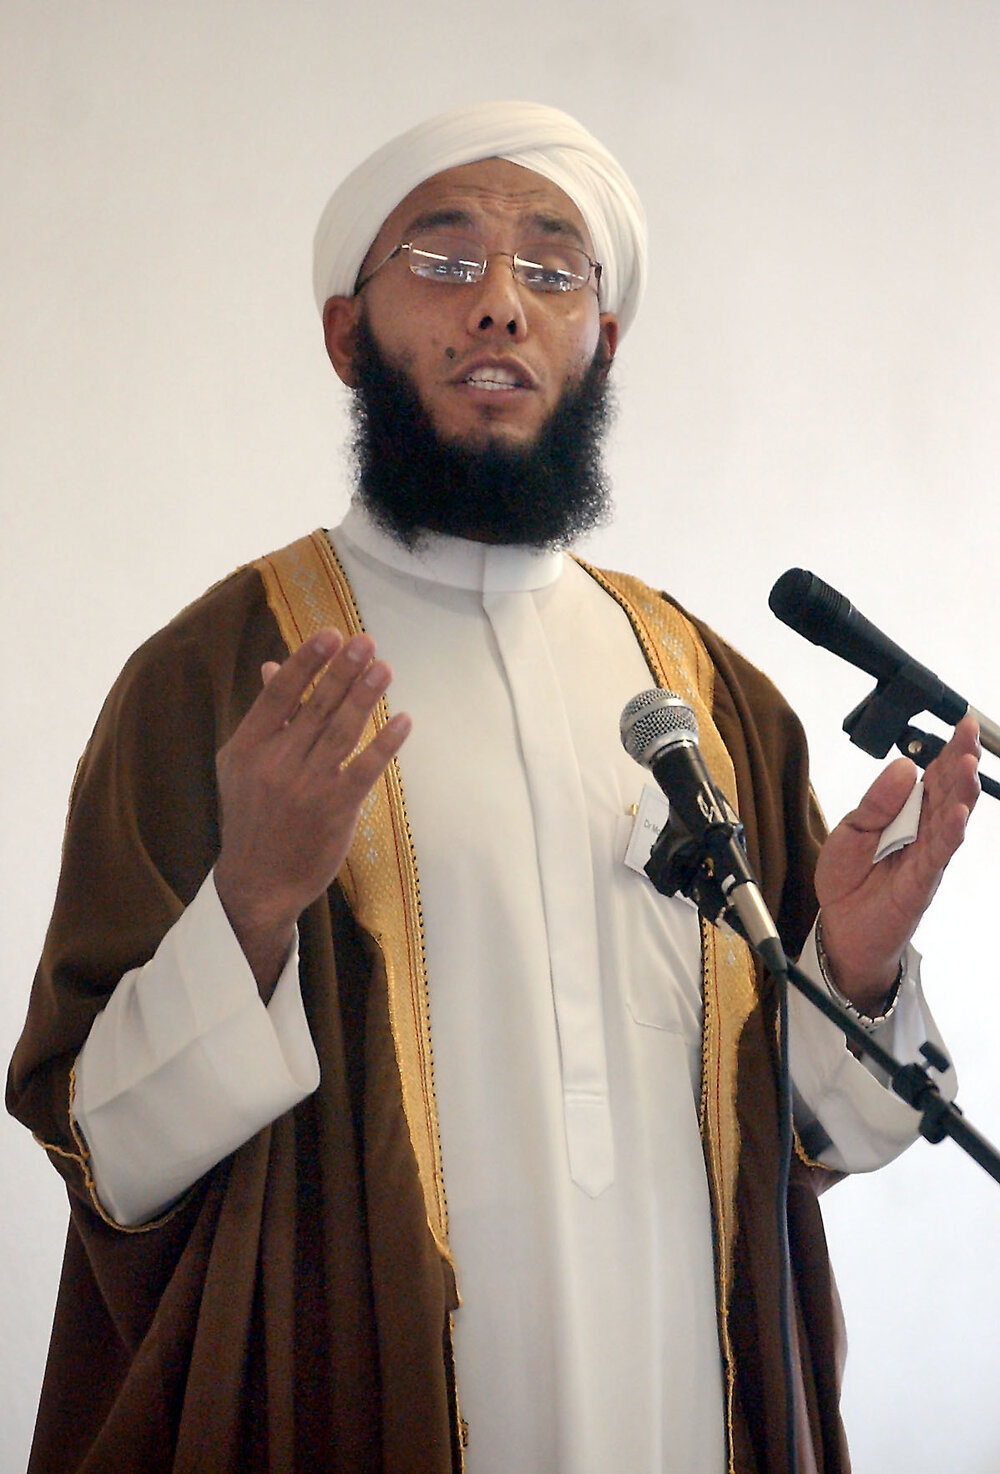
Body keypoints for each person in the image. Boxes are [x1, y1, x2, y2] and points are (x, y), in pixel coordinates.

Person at [8, 102, 980, 1474]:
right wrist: (254, 904)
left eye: (552, 268)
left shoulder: (706, 689)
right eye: (446, 261)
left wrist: (856, 983)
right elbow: (104, 1150)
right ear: (349, 335)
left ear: (605, 342)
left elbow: (810, 1142)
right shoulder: (221, 674)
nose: (502, 309)